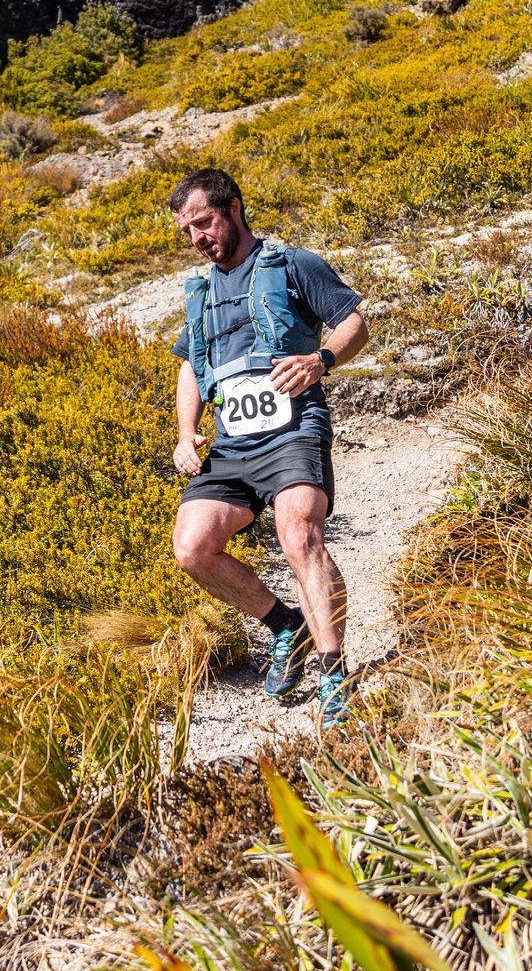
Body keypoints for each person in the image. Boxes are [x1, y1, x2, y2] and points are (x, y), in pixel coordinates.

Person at [167, 168, 370, 728]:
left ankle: (334, 673)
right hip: (232, 443)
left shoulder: (293, 264)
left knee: (299, 534)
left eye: (204, 223)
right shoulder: (202, 291)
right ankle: (286, 626)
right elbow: (190, 367)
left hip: (293, 429)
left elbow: (353, 323)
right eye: (188, 231)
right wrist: (187, 433)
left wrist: (320, 360)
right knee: (193, 547)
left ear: (233, 208)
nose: (198, 239)